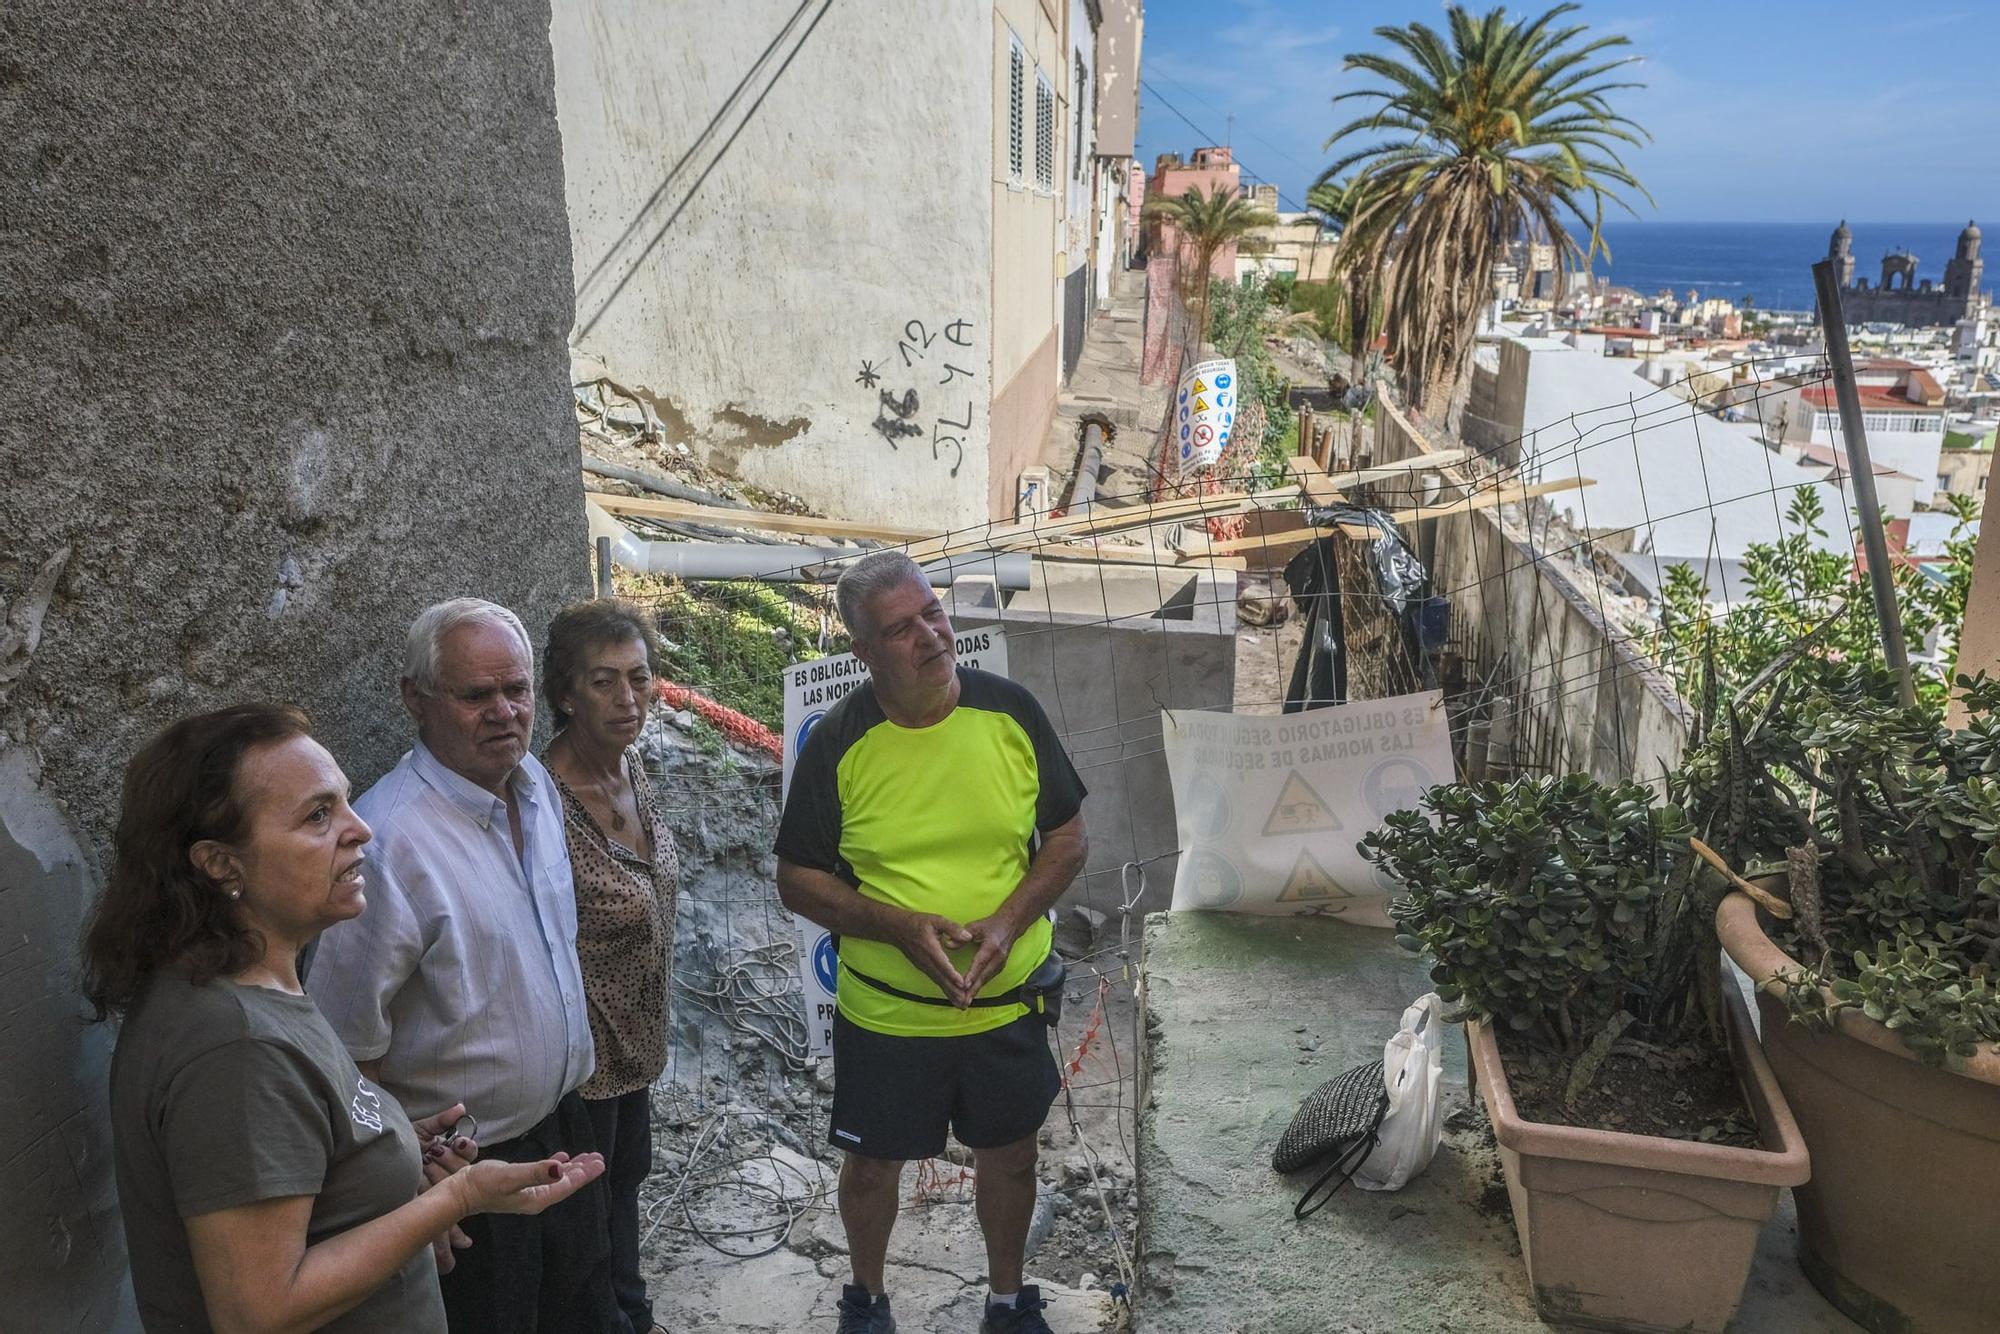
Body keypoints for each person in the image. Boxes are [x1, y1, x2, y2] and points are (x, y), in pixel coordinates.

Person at [81, 703, 606, 1333]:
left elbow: (297, 1154)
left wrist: (382, 1145)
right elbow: (259, 1311)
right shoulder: (235, 1048)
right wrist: (456, 1199)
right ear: (220, 863)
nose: (361, 830)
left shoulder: (257, 989)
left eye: (345, 804)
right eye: (317, 816)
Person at [775, 551, 1089, 1334]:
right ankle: (867, 1299)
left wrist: (1008, 921)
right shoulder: (840, 743)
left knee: (1012, 1156)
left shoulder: (1010, 711)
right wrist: (896, 926)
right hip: (888, 1012)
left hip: (1004, 1000)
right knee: (875, 1164)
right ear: (864, 652)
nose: (930, 635)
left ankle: (1008, 1301)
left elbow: (1068, 838)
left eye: (933, 613)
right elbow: (796, 880)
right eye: (901, 628)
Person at [309, 598, 624, 1332]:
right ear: (415, 700)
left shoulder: (535, 787)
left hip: (564, 1129)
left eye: (515, 690)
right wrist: (405, 1184)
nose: (504, 712)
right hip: (466, 1173)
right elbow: (341, 1050)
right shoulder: (388, 845)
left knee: (586, 1313)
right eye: (476, 694)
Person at [541, 599, 680, 1334]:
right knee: (584, 1220)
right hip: (580, 1061)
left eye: (639, 677)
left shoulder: (633, 767)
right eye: (603, 682)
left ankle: (634, 1313)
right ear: (565, 694)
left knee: (625, 1186)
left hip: (636, 1046)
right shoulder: (541, 802)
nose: (628, 699)